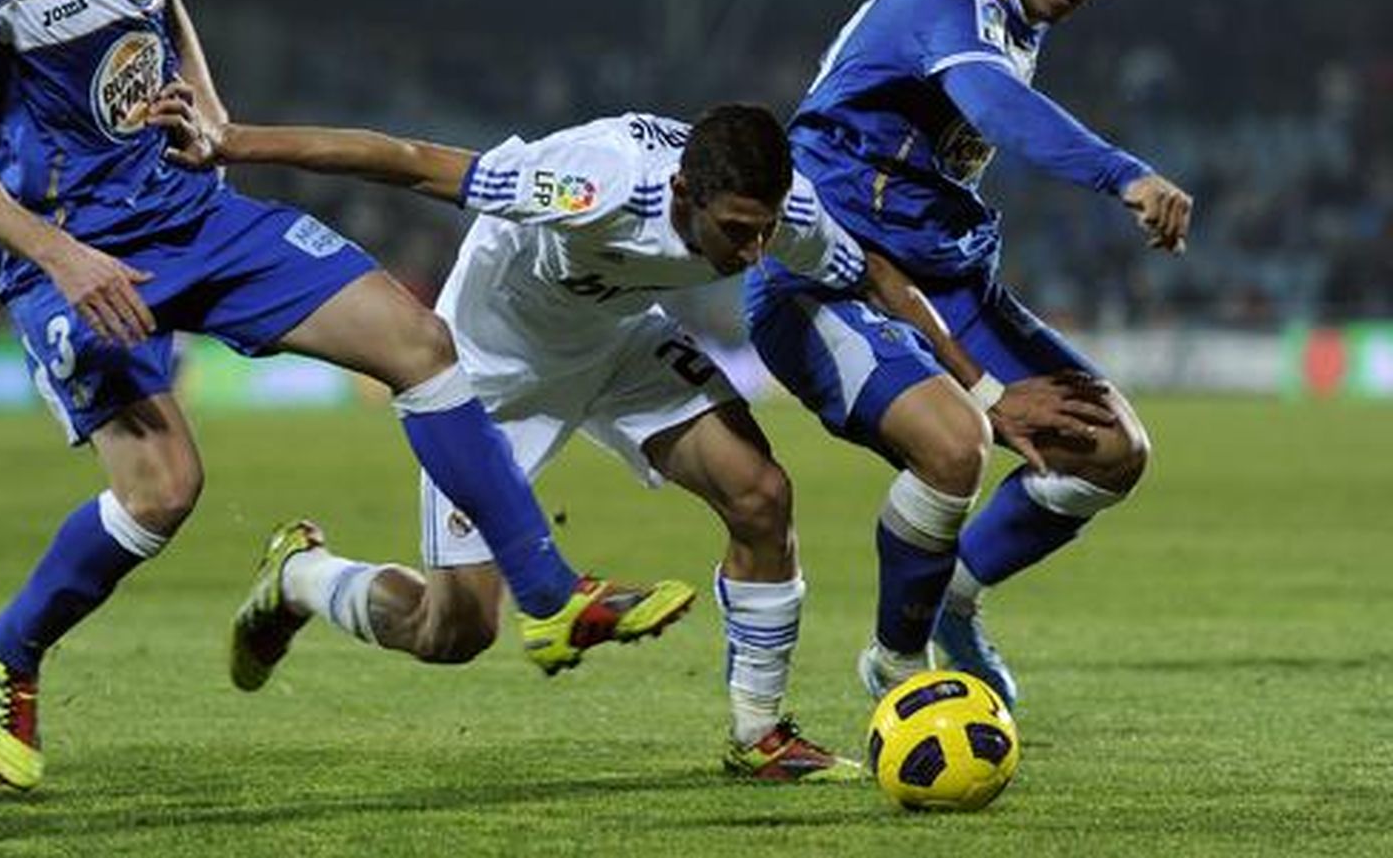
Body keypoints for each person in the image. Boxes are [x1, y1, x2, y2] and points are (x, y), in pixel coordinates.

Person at [0, 0, 693, 793]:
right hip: (74, 251)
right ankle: (6, 650)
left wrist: (208, 102)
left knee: (419, 342)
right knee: (163, 490)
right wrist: (62, 256)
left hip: (190, 209)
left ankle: (550, 598)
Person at [148, 96, 1094, 780]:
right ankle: (304, 576)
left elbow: (875, 274)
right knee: (455, 630)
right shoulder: (593, 183)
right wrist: (234, 140)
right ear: (683, 191)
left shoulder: (784, 211)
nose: (752, 253)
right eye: (736, 231)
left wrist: (982, 390)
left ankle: (759, 734)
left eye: (764, 232)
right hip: (492, 372)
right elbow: (402, 158)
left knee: (761, 494)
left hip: (619, 346)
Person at [743, 0, 1194, 706]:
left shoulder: (1020, 8)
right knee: (955, 445)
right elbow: (994, 104)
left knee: (1110, 450)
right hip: (826, 273)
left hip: (944, 275)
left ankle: (951, 596)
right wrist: (1125, 174)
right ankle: (898, 667)